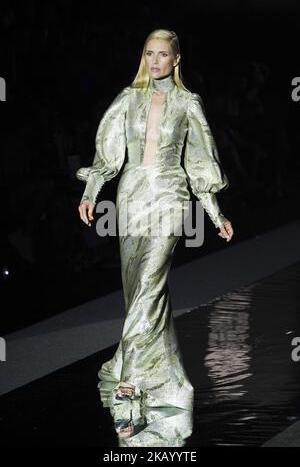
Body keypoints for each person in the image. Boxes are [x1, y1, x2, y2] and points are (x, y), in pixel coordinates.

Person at [77, 29, 234, 432]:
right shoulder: (128, 99)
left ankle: (130, 383)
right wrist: (92, 190)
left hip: (170, 197)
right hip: (131, 197)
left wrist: (215, 214)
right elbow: (109, 153)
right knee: (139, 294)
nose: (155, 61)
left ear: (176, 59)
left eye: (163, 54)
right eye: (149, 53)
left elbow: (199, 161)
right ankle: (158, 380)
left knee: (149, 282)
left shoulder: (188, 103)